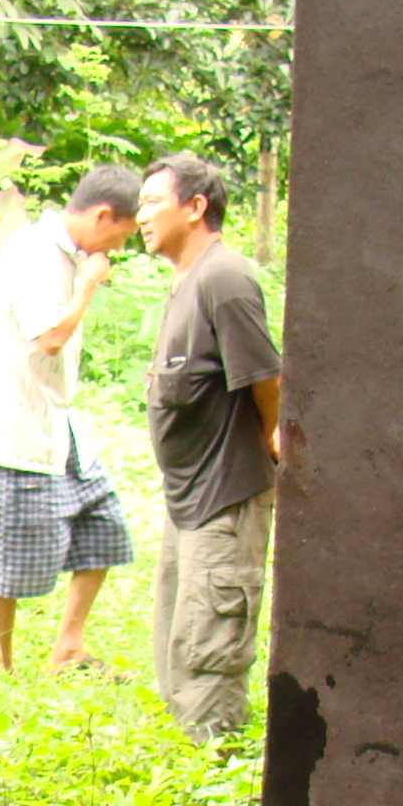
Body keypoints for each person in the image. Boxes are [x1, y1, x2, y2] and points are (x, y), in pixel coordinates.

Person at [0, 164, 142, 673]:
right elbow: (51, 338)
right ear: (103, 216)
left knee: (104, 526)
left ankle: (68, 647)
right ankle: (2, 667)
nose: (120, 247)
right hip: (17, 426)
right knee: (16, 554)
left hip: (58, 423)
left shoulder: (68, 256)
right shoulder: (34, 256)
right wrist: (87, 286)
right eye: (123, 234)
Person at [140, 152, 281, 742]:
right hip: (188, 500)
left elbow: (266, 381)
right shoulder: (187, 281)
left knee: (209, 653)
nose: (141, 215)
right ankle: (192, 761)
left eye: (153, 202)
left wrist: (271, 439)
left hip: (225, 497)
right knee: (180, 644)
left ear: (195, 207)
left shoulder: (224, 279)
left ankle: (215, 766)